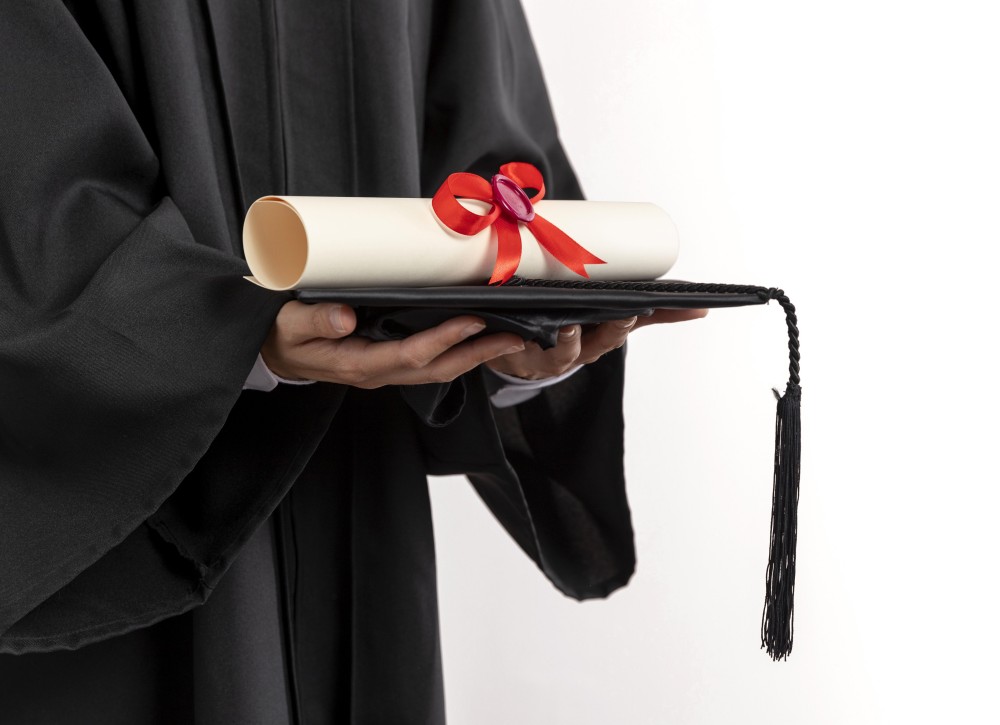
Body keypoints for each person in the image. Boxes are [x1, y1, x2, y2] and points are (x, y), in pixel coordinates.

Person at [0, 1, 705, 722]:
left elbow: (492, 167)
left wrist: (518, 343)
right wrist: (223, 328)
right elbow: (29, 192)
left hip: (369, 503)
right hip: (129, 535)